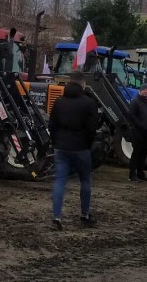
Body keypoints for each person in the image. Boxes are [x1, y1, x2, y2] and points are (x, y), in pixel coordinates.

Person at [49, 71, 99, 229]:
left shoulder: (59, 102)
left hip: (61, 147)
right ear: (82, 84)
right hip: (81, 148)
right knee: (85, 180)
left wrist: (56, 142)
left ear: (69, 83)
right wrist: (88, 144)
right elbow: (92, 128)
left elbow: (52, 125)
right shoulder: (89, 103)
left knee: (59, 181)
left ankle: (57, 218)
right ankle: (85, 214)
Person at [127, 85, 147, 182]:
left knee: (144, 154)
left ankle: (140, 173)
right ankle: (132, 175)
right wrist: (140, 125)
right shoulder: (135, 101)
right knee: (136, 153)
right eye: (143, 90)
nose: (145, 91)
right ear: (140, 91)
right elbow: (131, 115)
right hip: (138, 132)